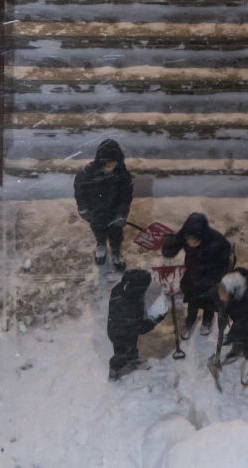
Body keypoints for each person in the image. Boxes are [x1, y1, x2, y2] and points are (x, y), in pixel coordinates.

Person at [160, 212, 233, 339]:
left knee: (208, 304)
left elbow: (224, 266)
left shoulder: (218, 243)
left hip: (210, 279)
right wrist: (169, 243)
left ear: (202, 236)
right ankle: (189, 322)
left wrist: (211, 281)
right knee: (192, 302)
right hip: (193, 276)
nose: (189, 243)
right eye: (188, 240)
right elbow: (170, 250)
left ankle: (207, 321)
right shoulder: (186, 235)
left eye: (194, 240)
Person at [73, 138, 134, 270]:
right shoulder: (87, 175)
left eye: (114, 165)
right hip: (95, 211)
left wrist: (122, 214)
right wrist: (84, 209)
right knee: (98, 229)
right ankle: (101, 244)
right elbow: (80, 193)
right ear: (100, 162)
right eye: (107, 166)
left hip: (114, 212)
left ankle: (116, 251)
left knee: (116, 233)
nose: (110, 169)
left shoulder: (123, 176)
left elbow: (126, 197)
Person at [106, 268, 166, 381]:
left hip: (114, 326)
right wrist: (156, 319)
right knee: (122, 354)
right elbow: (141, 328)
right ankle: (114, 370)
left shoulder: (120, 288)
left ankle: (133, 361)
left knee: (128, 347)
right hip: (122, 333)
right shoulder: (131, 305)